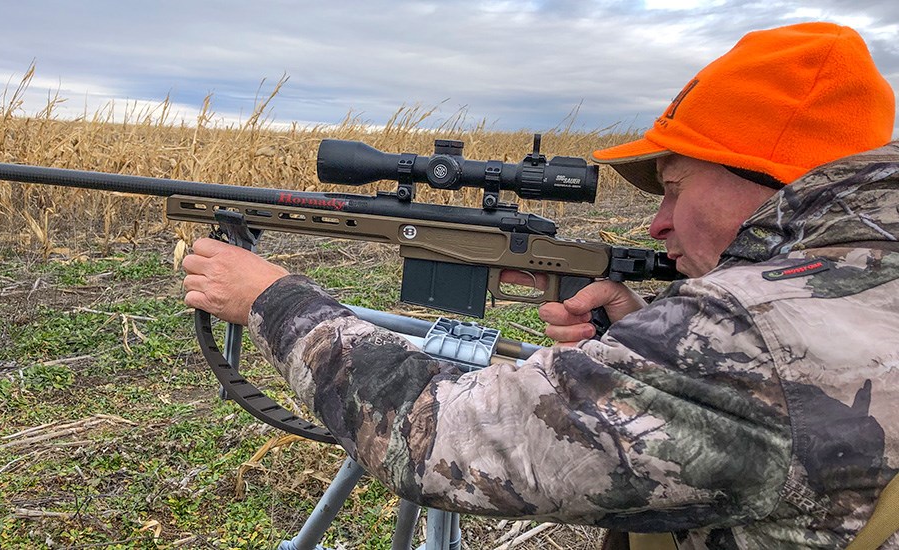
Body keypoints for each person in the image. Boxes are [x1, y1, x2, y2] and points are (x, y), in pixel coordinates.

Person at [182, 22, 899, 549]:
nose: (657, 224)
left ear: (768, 180)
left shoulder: (746, 335)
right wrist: (641, 342)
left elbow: (435, 437)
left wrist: (272, 300)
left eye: (675, 187)